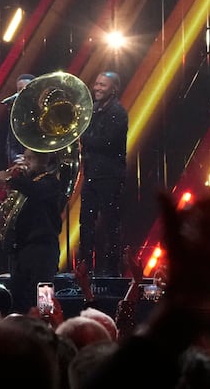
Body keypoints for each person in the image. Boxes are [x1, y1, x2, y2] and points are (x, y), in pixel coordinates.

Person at [79, 70, 128, 277]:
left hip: (109, 176)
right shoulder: (95, 110)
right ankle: (84, 269)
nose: (97, 88)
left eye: (103, 85)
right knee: (86, 222)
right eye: (96, 84)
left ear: (113, 89)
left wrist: (82, 137)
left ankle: (111, 271)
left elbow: (107, 142)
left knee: (110, 223)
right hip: (92, 175)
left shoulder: (118, 112)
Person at [2, 149, 66, 299]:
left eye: (30, 159)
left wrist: (11, 180)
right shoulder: (27, 185)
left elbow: (36, 191)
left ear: (42, 162)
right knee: (19, 298)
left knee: (44, 299)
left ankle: (47, 321)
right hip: (23, 249)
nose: (25, 162)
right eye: (24, 158)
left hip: (43, 250)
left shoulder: (51, 183)